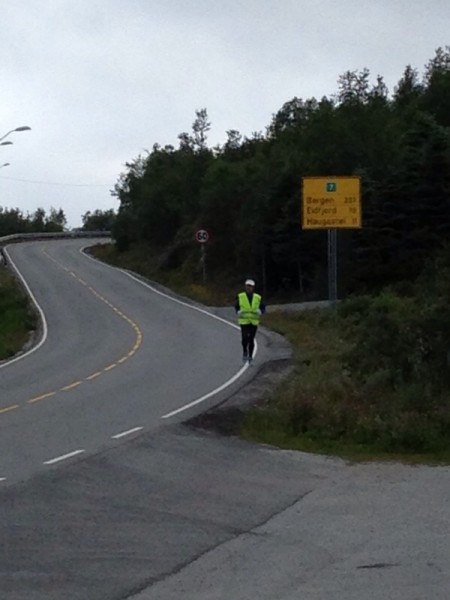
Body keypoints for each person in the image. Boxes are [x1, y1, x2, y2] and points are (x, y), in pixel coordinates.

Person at [235, 279, 265, 364]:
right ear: (245, 287)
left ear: (253, 288)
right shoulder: (241, 296)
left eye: (250, 286)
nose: (249, 288)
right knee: (244, 338)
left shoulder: (257, 297)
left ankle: (250, 356)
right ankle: (245, 351)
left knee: (251, 339)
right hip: (244, 320)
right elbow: (236, 306)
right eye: (247, 286)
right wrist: (238, 311)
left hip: (254, 321)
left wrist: (261, 311)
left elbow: (263, 306)